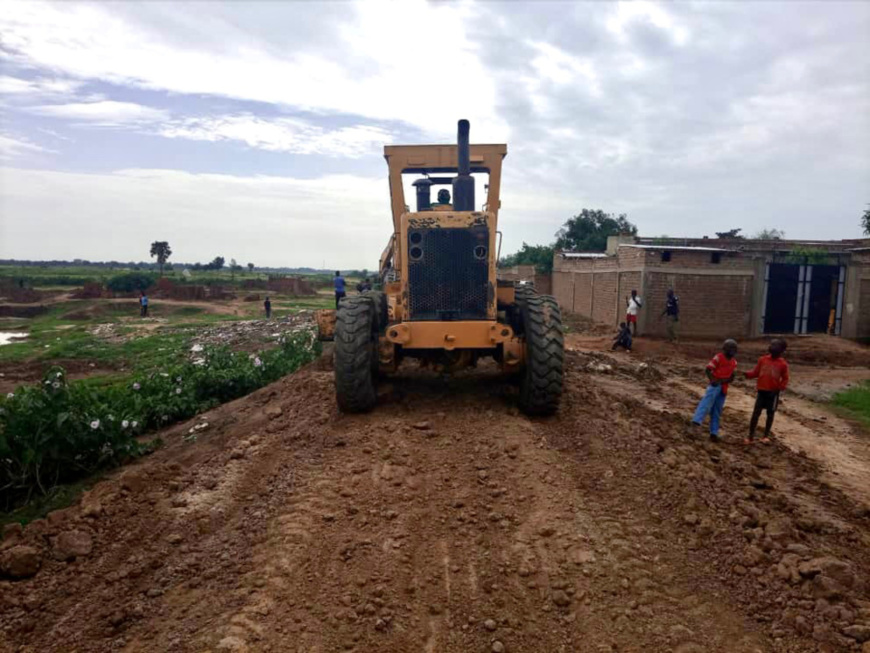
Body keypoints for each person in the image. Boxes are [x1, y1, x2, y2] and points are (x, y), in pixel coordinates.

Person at [691, 339, 738, 442]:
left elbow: (732, 377)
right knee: (706, 403)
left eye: (734, 349)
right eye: (730, 348)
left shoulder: (734, 362)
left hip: (723, 388)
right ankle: (696, 421)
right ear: (725, 349)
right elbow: (708, 369)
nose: (732, 351)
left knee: (717, 411)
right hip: (715, 385)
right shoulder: (718, 357)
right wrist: (712, 380)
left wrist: (725, 380)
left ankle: (714, 433)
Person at [744, 338, 789, 445]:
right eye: (771, 345)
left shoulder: (783, 364)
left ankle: (765, 436)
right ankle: (750, 437)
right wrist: (746, 374)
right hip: (762, 391)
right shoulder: (762, 360)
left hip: (773, 393)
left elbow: (785, 378)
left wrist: (779, 389)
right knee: (755, 414)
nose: (771, 347)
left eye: (775, 345)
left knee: (770, 414)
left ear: (781, 350)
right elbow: (756, 372)